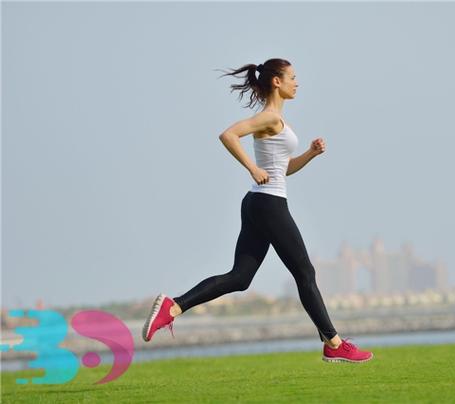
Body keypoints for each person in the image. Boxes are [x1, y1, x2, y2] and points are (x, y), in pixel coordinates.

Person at [142, 58, 373, 363]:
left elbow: (282, 169)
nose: (297, 82)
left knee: (240, 278)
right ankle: (333, 343)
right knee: (305, 273)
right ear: (276, 81)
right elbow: (228, 135)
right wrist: (251, 167)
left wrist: (310, 154)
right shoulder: (269, 118)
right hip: (269, 204)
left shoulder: (277, 120)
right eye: (292, 77)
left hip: (259, 202)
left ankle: (173, 307)